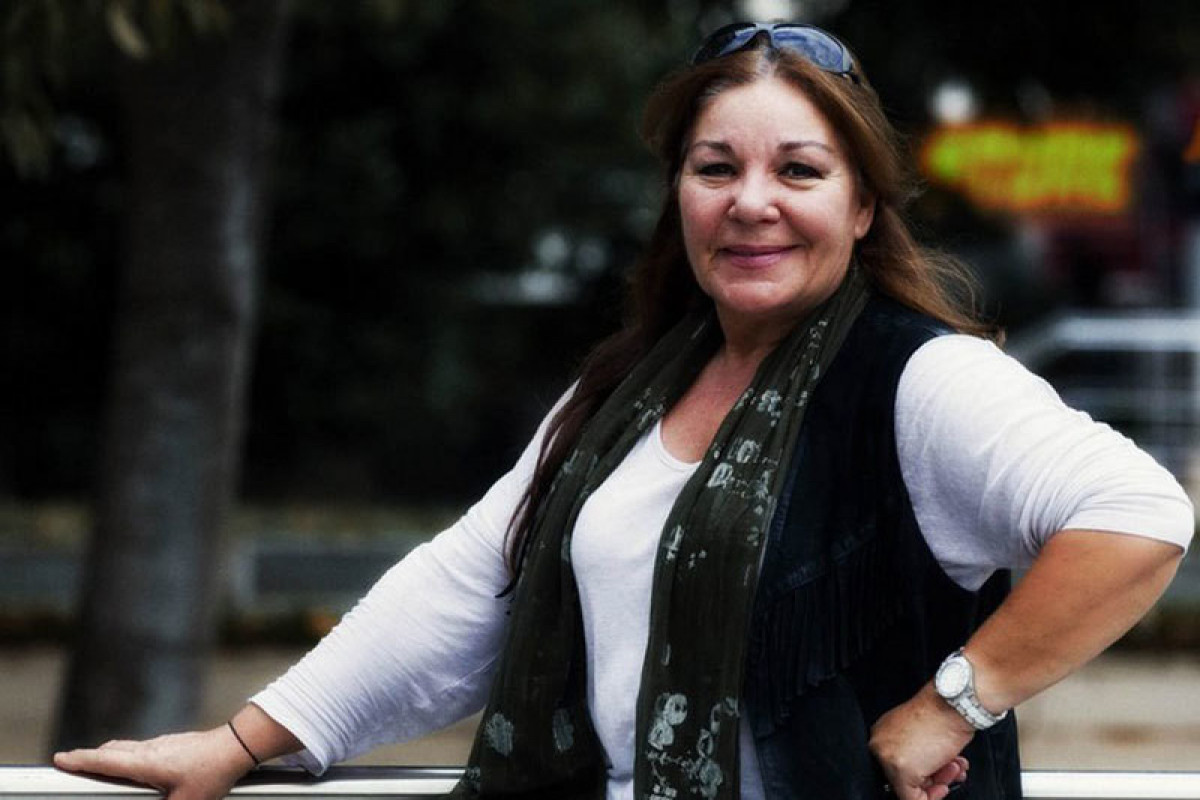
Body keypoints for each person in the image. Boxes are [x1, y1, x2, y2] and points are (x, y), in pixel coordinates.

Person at [54, 21, 1192, 800]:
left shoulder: (920, 381)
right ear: (678, 196)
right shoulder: (624, 388)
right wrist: (237, 743)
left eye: (799, 171)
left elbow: (1138, 515)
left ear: (861, 208)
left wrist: (953, 702)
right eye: (715, 168)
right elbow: (466, 588)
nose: (751, 202)